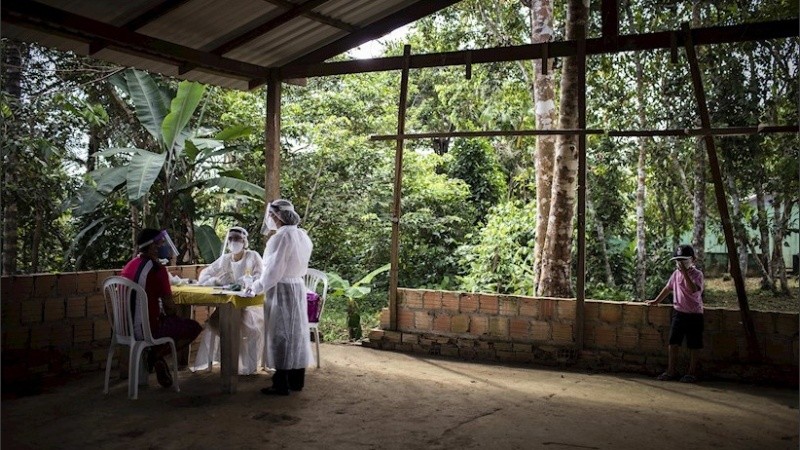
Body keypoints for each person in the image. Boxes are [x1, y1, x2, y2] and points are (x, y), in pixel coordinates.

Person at [245, 199, 314, 396]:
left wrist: (255, 287)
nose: (269, 219)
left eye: (271, 215)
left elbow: (273, 271)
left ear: (277, 216)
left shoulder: (280, 238)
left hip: (281, 289)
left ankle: (280, 383)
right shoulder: (302, 235)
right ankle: (296, 380)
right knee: (296, 334)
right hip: (297, 286)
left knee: (280, 335)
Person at [120, 228, 203, 388]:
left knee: (170, 321)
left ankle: (154, 356)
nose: (163, 245)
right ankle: (155, 355)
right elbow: (170, 306)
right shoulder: (157, 270)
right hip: (148, 330)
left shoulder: (130, 265)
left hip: (124, 327)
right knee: (192, 327)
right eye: (161, 242)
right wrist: (174, 316)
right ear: (152, 247)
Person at [193, 226, 265, 375]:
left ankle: (247, 366)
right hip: (227, 305)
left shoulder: (253, 256)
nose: (233, 242)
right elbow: (205, 274)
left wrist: (245, 283)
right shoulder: (225, 259)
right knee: (216, 323)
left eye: (237, 239)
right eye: (230, 239)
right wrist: (215, 281)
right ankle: (220, 362)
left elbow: (261, 278)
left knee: (245, 326)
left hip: (250, 306)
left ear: (245, 241)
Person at [647, 244, 705, 383]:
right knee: (673, 343)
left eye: (684, 260)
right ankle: (671, 371)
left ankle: (692, 372)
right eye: (678, 260)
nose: (681, 263)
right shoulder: (675, 274)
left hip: (694, 314)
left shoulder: (698, 275)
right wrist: (656, 301)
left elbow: (693, 289)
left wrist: (685, 272)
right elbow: (668, 288)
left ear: (693, 260)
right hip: (679, 313)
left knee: (694, 344)